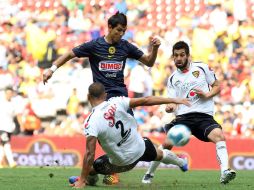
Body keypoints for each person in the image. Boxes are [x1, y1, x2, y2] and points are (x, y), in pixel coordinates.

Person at [42, 11, 160, 184]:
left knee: (123, 135)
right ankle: (89, 174)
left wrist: (155, 49)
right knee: (99, 138)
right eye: (118, 30)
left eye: (124, 31)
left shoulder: (126, 46)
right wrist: (51, 69)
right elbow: (69, 54)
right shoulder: (94, 45)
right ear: (110, 27)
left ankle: (109, 174)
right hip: (101, 99)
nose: (121, 34)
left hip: (120, 98)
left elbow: (149, 62)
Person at [142, 41, 236, 184]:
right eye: (176, 56)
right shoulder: (173, 78)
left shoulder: (202, 68)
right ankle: (149, 173)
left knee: (219, 136)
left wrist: (207, 95)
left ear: (188, 56)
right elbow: (172, 101)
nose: (178, 58)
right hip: (183, 118)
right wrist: (170, 107)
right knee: (166, 144)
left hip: (203, 116)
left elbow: (217, 86)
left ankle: (225, 171)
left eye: (182, 55)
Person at [72, 82, 190, 188]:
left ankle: (84, 180)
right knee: (160, 154)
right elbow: (146, 100)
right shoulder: (116, 101)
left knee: (93, 168)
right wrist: (173, 100)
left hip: (123, 163)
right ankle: (182, 163)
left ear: (88, 97)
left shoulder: (91, 121)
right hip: (140, 147)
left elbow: (89, 153)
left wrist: (82, 178)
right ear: (105, 95)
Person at [0, 87, 19, 168]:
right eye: (7, 93)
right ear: (5, 94)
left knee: (2, 145)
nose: (9, 95)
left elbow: (15, 115)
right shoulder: (1, 102)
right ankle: (11, 162)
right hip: (1, 127)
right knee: (6, 143)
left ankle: (0, 162)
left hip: (9, 127)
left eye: (10, 93)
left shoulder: (13, 104)